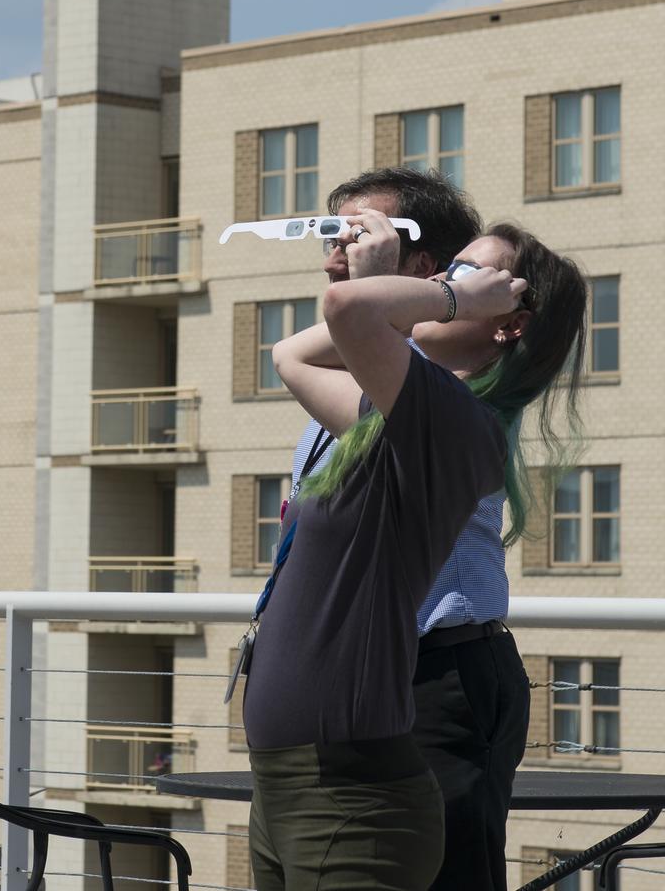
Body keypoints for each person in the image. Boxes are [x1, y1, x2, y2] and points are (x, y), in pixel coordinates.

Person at [243, 214, 586, 890]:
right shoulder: (395, 419)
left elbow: (347, 309)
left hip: (349, 797)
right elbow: (293, 355)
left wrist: (444, 298)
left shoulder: (462, 427)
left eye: (461, 269)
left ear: (509, 319)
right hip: (288, 781)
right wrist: (437, 296)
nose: (436, 281)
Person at [293, 168, 530, 891]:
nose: (336, 254)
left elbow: (349, 313)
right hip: (368, 676)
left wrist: (437, 293)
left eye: (358, 236)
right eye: (334, 236)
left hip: (439, 674)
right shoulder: (382, 378)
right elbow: (306, 345)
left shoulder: (447, 405)